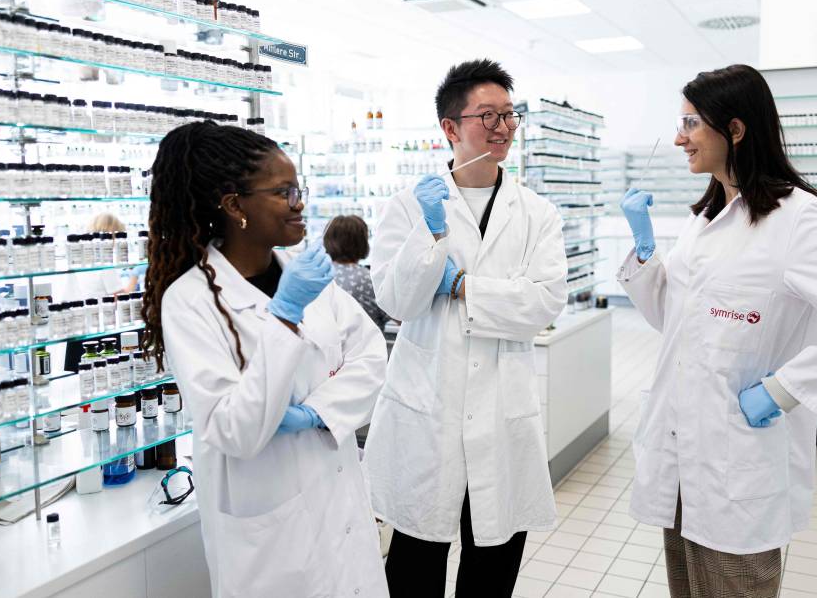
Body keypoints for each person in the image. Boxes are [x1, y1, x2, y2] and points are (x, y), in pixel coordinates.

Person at [617, 64, 817, 597]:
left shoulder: (797, 219)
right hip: (682, 456)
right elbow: (674, 322)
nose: (679, 137)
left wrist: (782, 391)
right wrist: (644, 251)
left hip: (738, 466)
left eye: (691, 123)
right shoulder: (706, 217)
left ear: (735, 129)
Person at [142, 122, 389, 598]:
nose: (300, 202)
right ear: (235, 206)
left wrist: (318, 411)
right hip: (271, 534)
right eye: (284, 192)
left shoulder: (305, 276)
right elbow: (235, 428)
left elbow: (369, 353)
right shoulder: (190, 301)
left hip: (341, 507)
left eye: (299, 189)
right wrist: (284, 319)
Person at [365, 59, 568, 597]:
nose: (502, 127)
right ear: (450, 127)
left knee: (492, 571)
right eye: (487, 115)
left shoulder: (537, 213)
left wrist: (460, 288)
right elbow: (398, 302)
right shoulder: (409, 208)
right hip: (426, 413)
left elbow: (544, 302)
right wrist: (429, 239)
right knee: (413, 567)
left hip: (502, 414)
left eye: (509, 115)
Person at [323, 215, 390, 331]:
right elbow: (398, 314)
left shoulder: (319, 274)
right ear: (362, 243)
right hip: (367, 346)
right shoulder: (369, 279)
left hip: (328, 346)